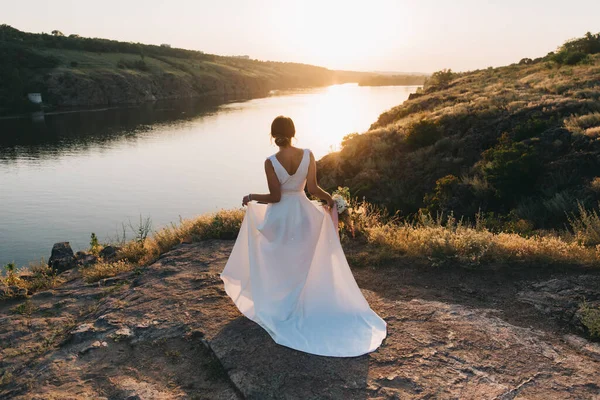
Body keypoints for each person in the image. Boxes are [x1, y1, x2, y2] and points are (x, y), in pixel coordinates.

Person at [220, 116, 386, 357]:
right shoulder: (308, 154)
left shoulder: (270, 161)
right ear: (293, 132)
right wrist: (331, 200)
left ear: (272, 134)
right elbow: (313, 190)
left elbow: (275, 197)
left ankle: (283, 303)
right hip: (304, 214)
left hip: (281, 218)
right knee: (304, 260)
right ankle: (303, 301)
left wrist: (251, 196)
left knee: (278, 260)